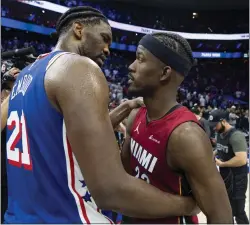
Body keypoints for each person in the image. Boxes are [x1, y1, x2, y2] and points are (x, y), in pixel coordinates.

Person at [4, 6, 199, 224]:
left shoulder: (27, 73)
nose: (107, 49)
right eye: (104, 38)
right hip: (68, 217)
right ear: (79, 29)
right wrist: (188, 205)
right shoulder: (79, 67)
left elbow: (71, 135)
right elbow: (111, 190)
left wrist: (127, 106)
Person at [121, 32, 232, 224]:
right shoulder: (135, 115)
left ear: (164, 73)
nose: (131, 67)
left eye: (140, 59)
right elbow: (123, 176)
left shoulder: (186, 135)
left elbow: (220, 216)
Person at [210, 110, 249, 224]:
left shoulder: (236, 136)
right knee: (227, 210)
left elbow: (241, 159)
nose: (213, 128)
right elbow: (221, 147)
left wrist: (222, 164)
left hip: (237, 179)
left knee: (238, 212)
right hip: (226, 176)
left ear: (223, 121)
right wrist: (213, 154)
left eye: (215, 125)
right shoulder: (219, 133)